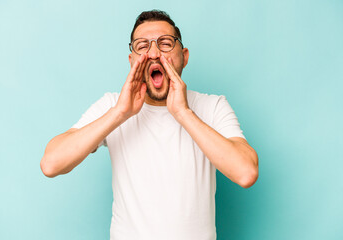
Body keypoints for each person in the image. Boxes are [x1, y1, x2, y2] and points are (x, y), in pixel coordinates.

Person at [40, 9, 258, 240]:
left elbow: (246, 173)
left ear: (184, 56)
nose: (154, 53)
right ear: (131, 60)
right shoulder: (112, 106)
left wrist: (183, 113)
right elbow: (51, 164)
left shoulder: (213, 106)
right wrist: (119, 114)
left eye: (165, 43)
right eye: (142, 46)